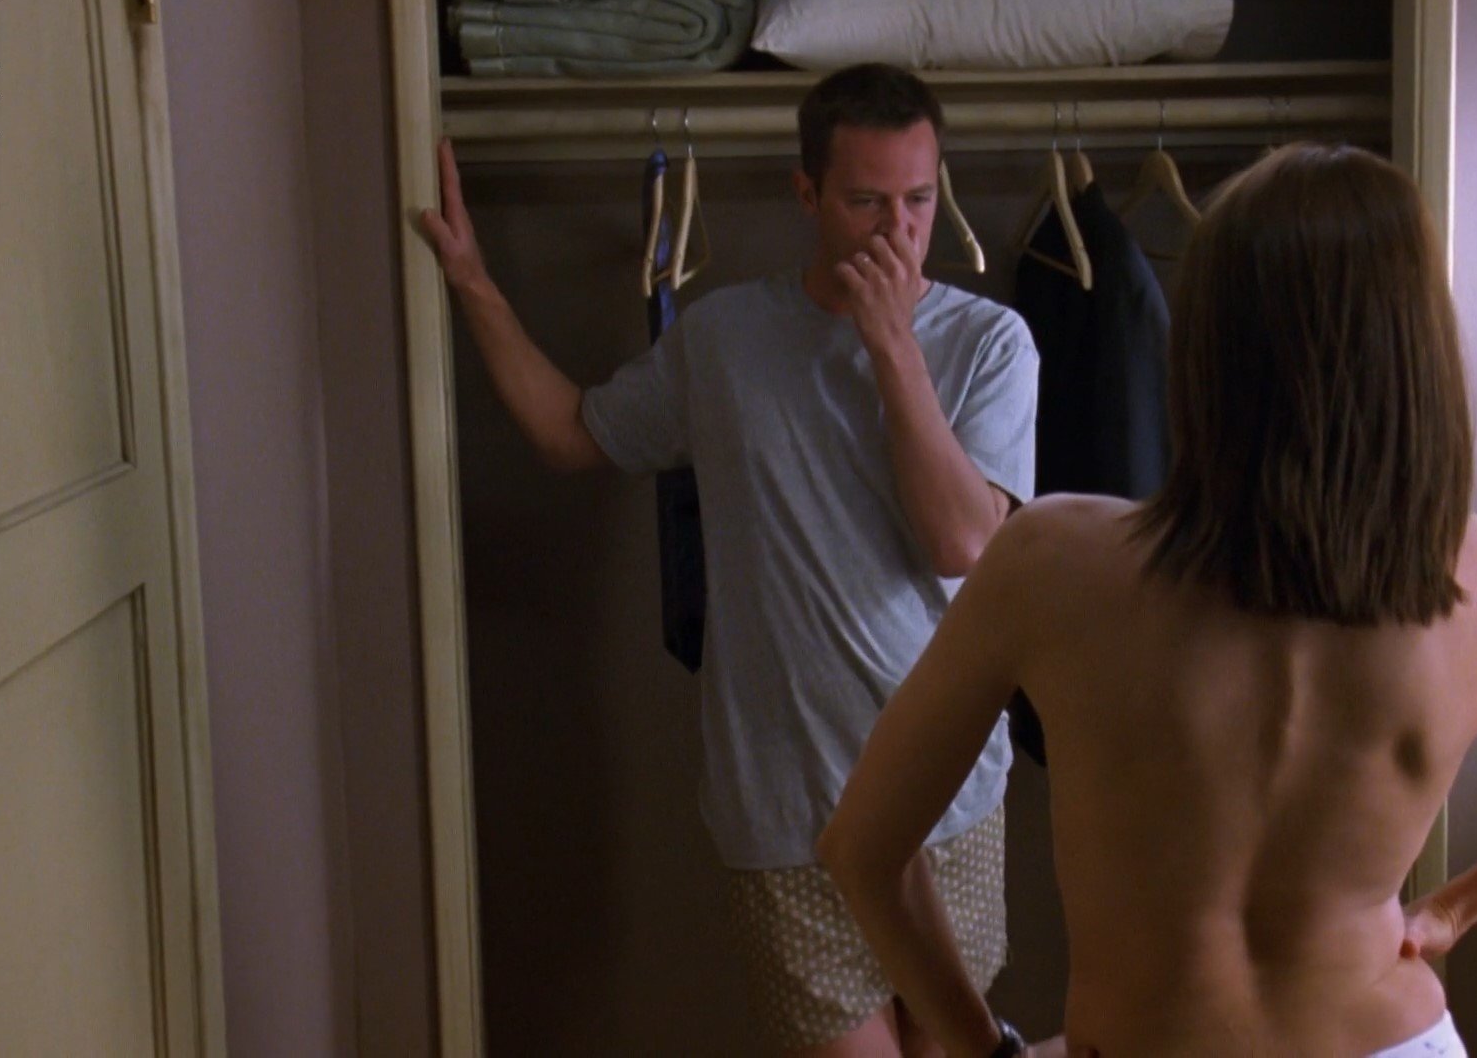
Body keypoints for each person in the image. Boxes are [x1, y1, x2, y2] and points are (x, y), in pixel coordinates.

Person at [817, 142, 1477, 1057]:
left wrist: (982, 1050)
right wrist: (1458, 908)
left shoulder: (1053, 560)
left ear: (1208, 349)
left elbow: (864, 850)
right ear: (1414, 353)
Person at [420, 64, 1039, 1057]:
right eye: (866, 201)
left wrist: (893, 349)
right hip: (785, 815)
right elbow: (572, 433)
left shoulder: (990, 345)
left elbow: (963, 541)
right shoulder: (725, 339)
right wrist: (472, 283)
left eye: (919, 200)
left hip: (948, 801)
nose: (898, 230)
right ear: (807, 194)